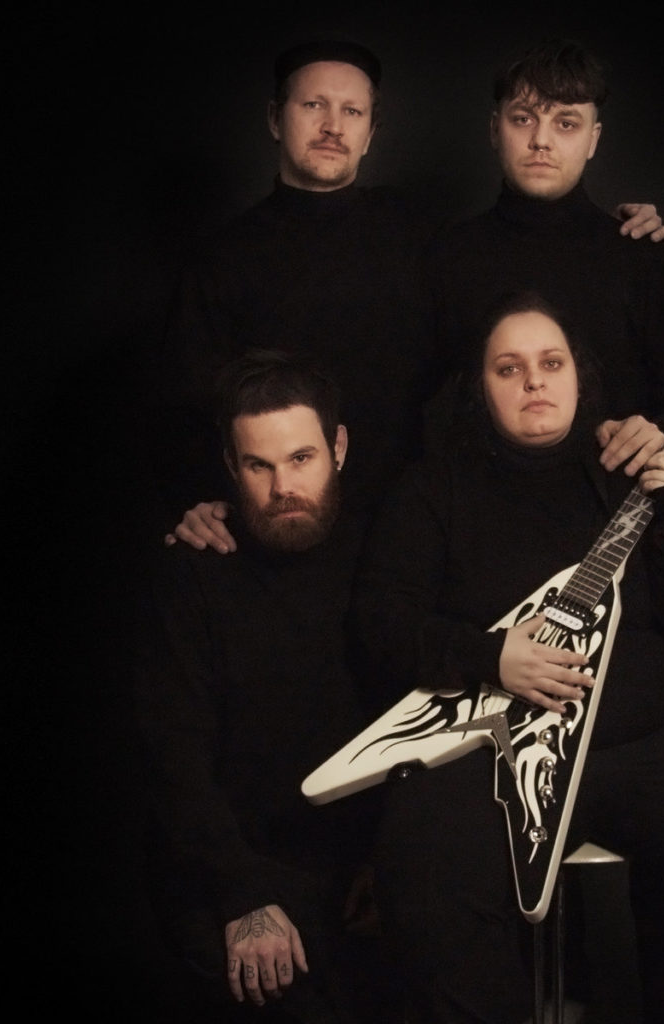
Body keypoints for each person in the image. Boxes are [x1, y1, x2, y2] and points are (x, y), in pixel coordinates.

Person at [349, 292, 664, 1024]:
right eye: (508, 368)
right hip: (494, 750)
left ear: (580, 377)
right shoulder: (431, 490)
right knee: (425, 877)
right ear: (480, 387)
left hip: (647, 740)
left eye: (552, 363)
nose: (533, 381)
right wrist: (490, 656)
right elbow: (379, 626)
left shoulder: (627, 472)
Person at [153, 37, 664, 555]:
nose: (333, 126)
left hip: (405, 522)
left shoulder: (419, 231)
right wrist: (194, 499)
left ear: (371, 132)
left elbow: (522, 286)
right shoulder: (219, 259)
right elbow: (183, 405)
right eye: (313, 105)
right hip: (280, 517)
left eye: (351, 111)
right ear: (274, 118)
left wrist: (619, 234)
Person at [133, 349, 400, 1022]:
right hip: (235, 868)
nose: (283, 487)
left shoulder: (386, 549)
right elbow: (172, 759)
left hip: (367, 869)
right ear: (231, 466)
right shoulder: (195, 570)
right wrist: (243, 893)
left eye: (301, 458)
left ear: (338, 448)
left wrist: (393, 863)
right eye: (259, 465)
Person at [423, 37, 664, 473]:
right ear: (495, 129)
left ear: (593, 139)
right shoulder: (448, 255)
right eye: (523, 119)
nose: (541, 140)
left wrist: (661, 431)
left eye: (566, 123)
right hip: (478, 504)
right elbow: (413, 404)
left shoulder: (644, 258)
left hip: (615, 503)